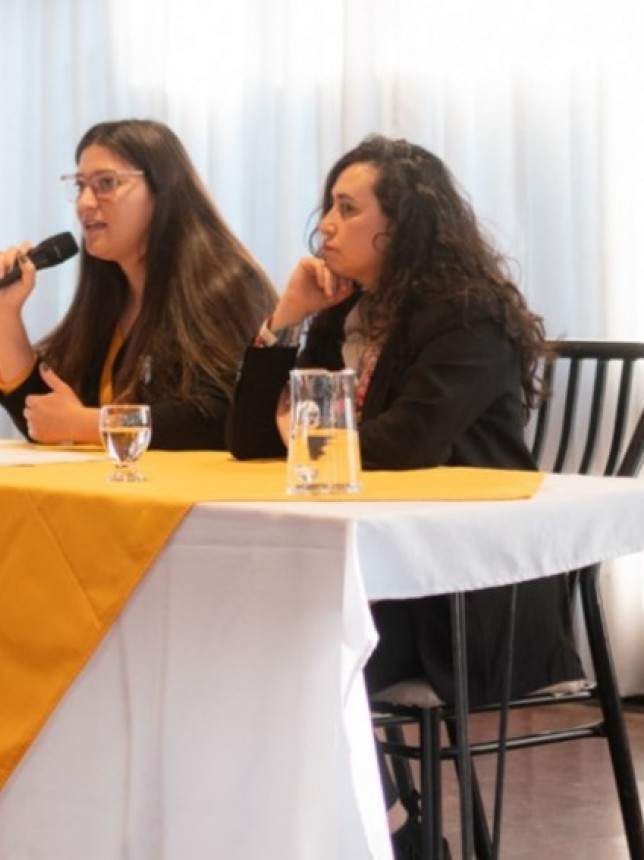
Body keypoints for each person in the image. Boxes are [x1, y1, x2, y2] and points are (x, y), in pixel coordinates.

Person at [226, 134, 584, 857]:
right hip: (381, 579)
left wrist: (301, 427)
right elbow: (250, 441)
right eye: (328, 205)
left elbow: (405, 442)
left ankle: (393, 833)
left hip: (470, 599)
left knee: (282, 649)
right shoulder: (341, 316)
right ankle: (381, 828)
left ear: (404, 223)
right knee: (236, 635)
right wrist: (282, 321)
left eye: (346, 207)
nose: (324, 223)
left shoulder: (467, 316)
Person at [0, 119, 276, 450]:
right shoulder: (109, 293)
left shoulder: (227, 284)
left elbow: (221, 416)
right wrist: (4, 313)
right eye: (80, 186)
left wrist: (90, 423)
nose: (85, 204)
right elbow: (44, 420)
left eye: (106, 183)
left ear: (161, 190)